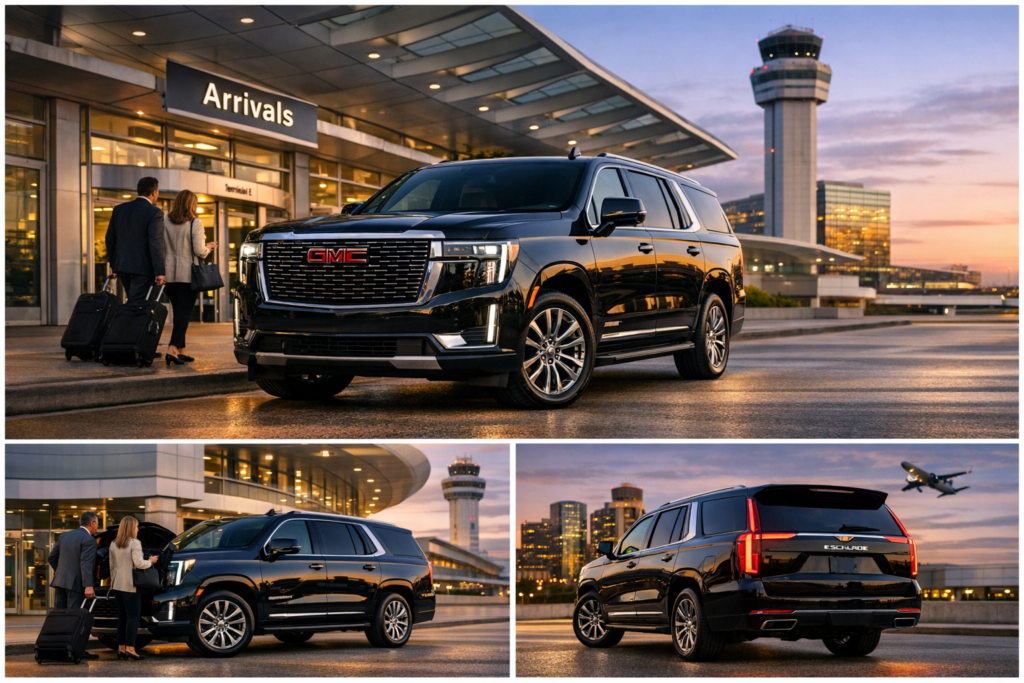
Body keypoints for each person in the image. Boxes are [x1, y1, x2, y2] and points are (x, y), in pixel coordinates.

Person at [161, 189, 217, 365]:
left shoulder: (164, 221)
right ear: (192, 204)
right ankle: (172, 349)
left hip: (169, 274)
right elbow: (199, 251)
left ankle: (182, 349)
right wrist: (209, 247)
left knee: (178, 311)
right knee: (184, 313)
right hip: (188, 275)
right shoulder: (196, 223)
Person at [47, 511, 100, 660]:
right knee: (75, 617)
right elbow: (86, 564)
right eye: (97, 524)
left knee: (61, 618)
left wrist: (62, 572)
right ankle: (76, 650)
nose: (97, 528)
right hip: (76, 584)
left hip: (60, 582)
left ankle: (59, 649)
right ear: (92, 523)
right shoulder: (89, 539)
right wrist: (88, 585)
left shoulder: (64, 536)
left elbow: (51, 557)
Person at [106, 177, 166, 303]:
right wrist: (160, 271)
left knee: (134, 301)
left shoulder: (119, 209)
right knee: (138, 305)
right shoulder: (154, 212)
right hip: (143, 268)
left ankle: (130, 321)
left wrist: (114, 264)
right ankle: (130, 323)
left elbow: (110, 238)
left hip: (123, 266)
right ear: (154, 192)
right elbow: (155, 242)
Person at [108, 516, 159, 661]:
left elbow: (111, 566)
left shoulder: (113, 543)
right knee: (133, 617)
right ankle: (131, 649)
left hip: (117, 585)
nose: (137, 529)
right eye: (136, 526)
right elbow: (139, 564)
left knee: (123, 617)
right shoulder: (135, 543)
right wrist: (151, 561)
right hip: (130, 585)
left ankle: (121, 648)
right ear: (131, 527)